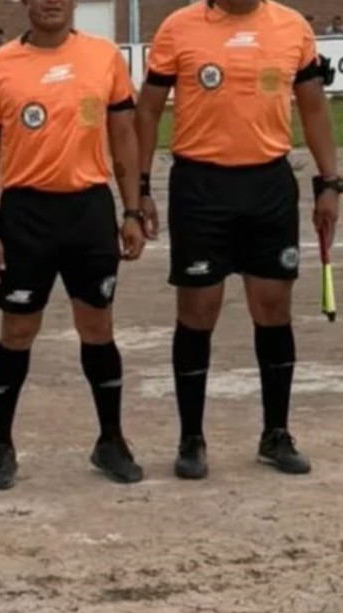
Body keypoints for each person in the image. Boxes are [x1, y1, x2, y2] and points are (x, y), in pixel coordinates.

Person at [137, 0, 340, 479]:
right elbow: (147, 111)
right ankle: (191, 437)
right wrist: (140, 189)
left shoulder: (292, 27)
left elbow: (313, 106)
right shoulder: (178, 28)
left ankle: (276, 433)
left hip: (268, 184)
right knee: (197, 310)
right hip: (200, 186)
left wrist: (330, 183)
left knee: (273, 308)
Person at [0, 0, 147, 490]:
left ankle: (111, 440)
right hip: (25, 213)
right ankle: (0, 445)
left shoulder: (104, 56)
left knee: (97, 325)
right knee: (17, 329)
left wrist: (132, 211)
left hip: (89, 209)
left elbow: (124, 136)